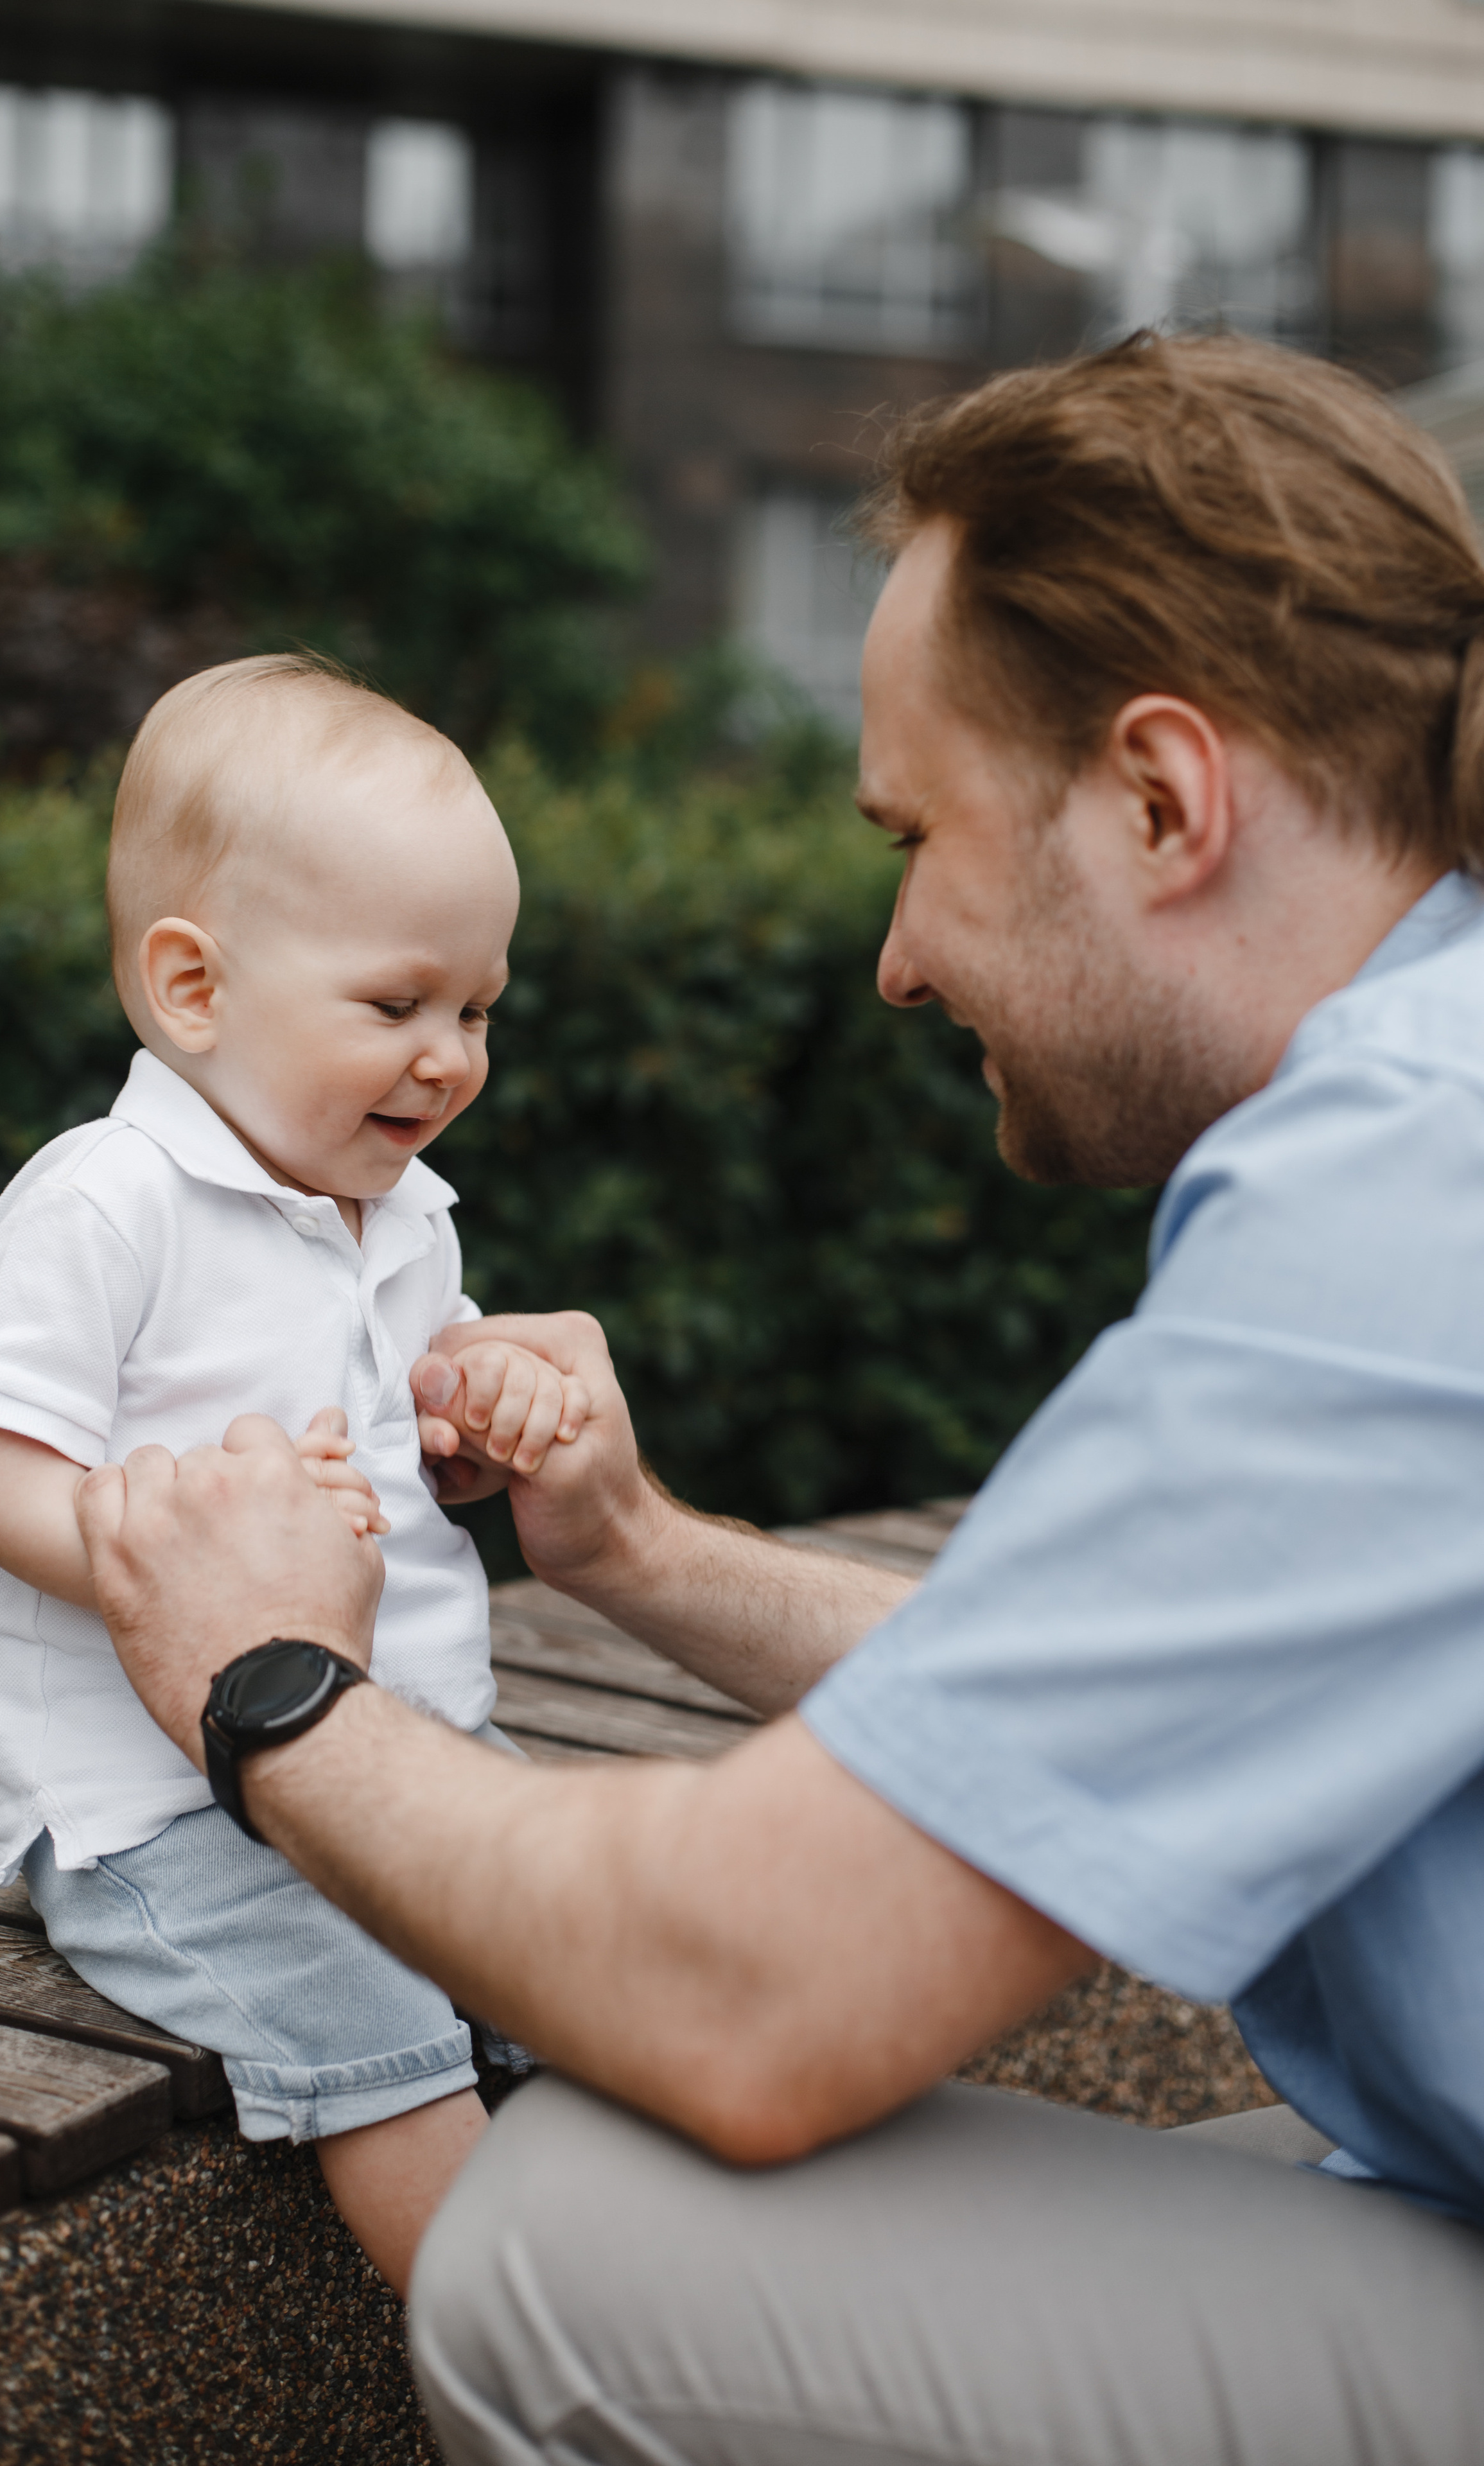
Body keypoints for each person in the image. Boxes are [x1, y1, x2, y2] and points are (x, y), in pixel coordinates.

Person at [73, 333, 1484, 2463]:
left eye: (916, 835)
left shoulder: (1409, 1196)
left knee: (579, 2235)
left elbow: (750, 1999)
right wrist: (636, 1557)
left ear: (1167, 799)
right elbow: (1053, 1703)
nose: (898, 960)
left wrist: (264, 1686)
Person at [0, 654, 588, 2295]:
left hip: (401, 1747)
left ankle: (646, 2271)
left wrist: (473, 1406)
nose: (447, 1058)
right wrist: (152, 1557)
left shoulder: (402, 1213)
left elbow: (413, 1404)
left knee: (579, 1958)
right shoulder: (107, 1200)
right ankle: (538, 2360)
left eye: (477, 1010)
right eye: (395, 1004)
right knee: (381, 2028)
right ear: (195, 991)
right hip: (158, 1803)